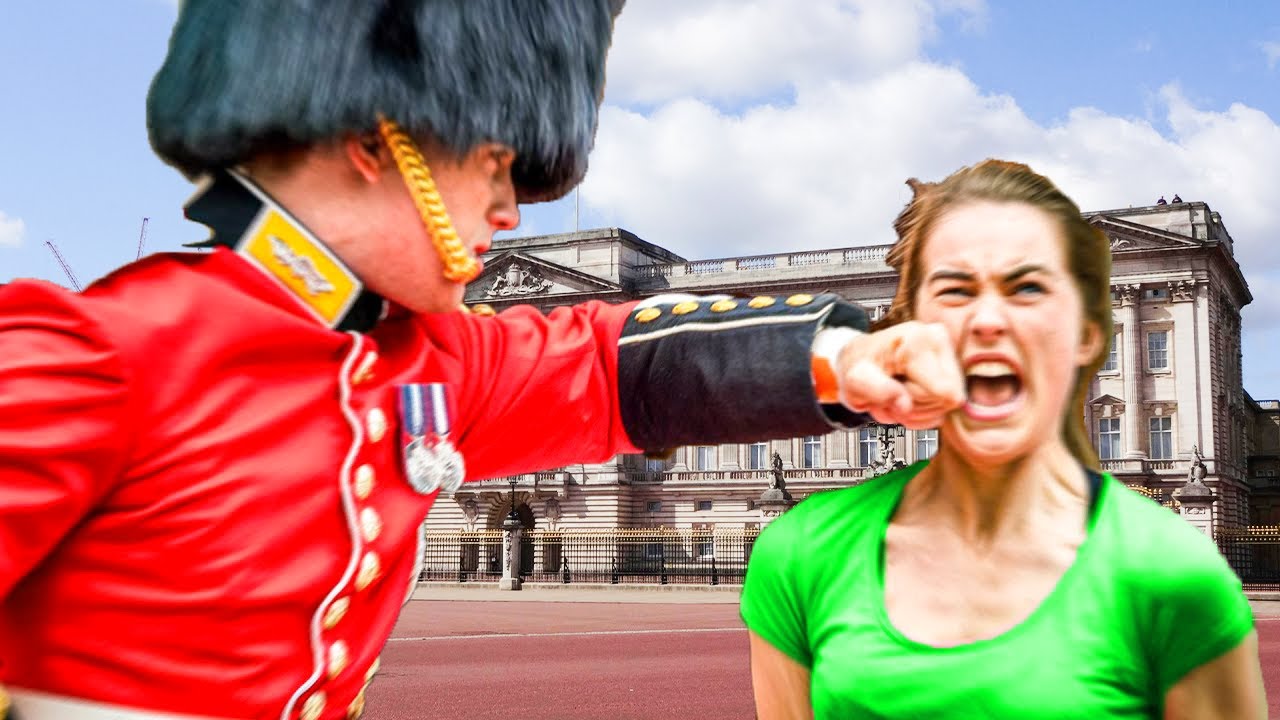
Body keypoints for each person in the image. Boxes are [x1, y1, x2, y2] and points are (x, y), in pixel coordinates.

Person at [0, 3, 968, 719]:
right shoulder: (92, 357)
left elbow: (608, 364)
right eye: (496, 165)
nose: (510, 216)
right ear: (377, 137)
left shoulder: (413, 366)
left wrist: (843, 355)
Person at [740, 159, 1267, 719]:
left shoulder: (1172, 568)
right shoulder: (800, 551)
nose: (989, 321)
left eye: (1028, 289)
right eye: (955, 290)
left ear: (1088, 335)